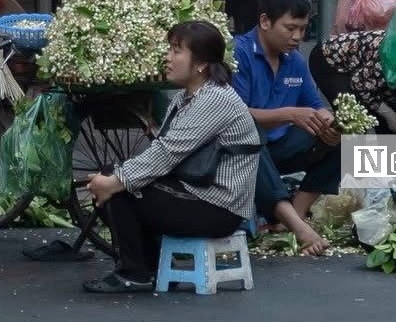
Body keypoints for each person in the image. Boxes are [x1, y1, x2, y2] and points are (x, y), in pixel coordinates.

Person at [81, 21, 261, 294]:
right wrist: (115, 176)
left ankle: (135, 272)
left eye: (176, 51)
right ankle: (149, 266)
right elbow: (162, 149)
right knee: (114, 179)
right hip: (196, 193)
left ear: (200, 64)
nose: (167, 57)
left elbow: (166, 154)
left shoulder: (215, 99)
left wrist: (116, 182)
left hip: (219, 207)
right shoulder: (186, 97)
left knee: (119, 191)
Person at [232, 0, 342, 226]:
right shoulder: (238, 53)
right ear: (265, 21)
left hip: (281, 148)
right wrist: (290, 115)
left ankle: (295, 214)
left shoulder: (295, 61)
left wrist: (329, 123)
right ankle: (287, 219)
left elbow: (314, 105)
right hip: (242, 154)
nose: (297, 37)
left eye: (302, 29)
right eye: (290, 28)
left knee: (346, 141)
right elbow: (233, 115)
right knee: (250, 137)